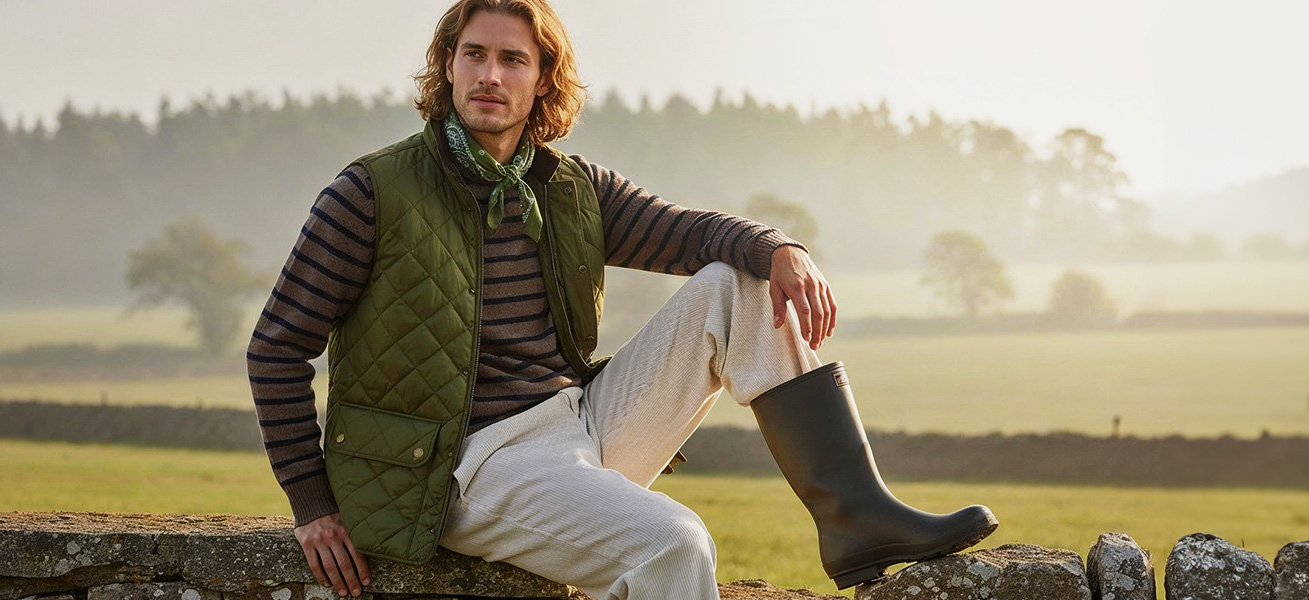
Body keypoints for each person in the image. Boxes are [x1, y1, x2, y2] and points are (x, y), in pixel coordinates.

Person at [246, 1, 996, 598]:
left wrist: (779, 248)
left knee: (734, 282)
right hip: (463, 468)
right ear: (446, 66)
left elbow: (688, 233)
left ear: (542, 79)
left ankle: (856, 517)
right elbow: (277, 348)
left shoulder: (569, 187)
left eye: (513, 59)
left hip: (577, 428)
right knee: (674, 543)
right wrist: (313, 505)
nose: (490, 75)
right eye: (474, 54)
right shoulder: (371, 193)